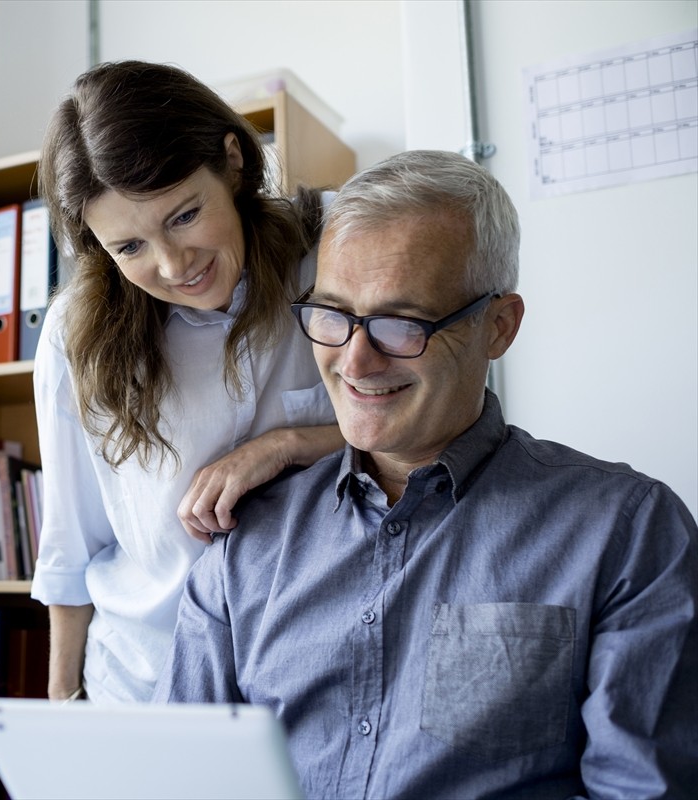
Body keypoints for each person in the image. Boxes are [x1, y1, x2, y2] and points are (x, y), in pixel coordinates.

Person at [154, 149, 698, 796]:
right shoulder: (245, 548)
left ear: (499, 326)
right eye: (332, 315)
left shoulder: (625, 532)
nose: (354, 361)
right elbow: (178, 779)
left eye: (399, 323)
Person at [30, 60, 344, 704]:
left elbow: (431, 422)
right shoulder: (75, 335)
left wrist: (287, 445)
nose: (174, 266)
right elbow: (71, 547)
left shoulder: (338, 250)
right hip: (144, 678)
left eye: (183, 216)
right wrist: (62, 713)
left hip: (314, 674)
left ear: (232, 162)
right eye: (129, 248)